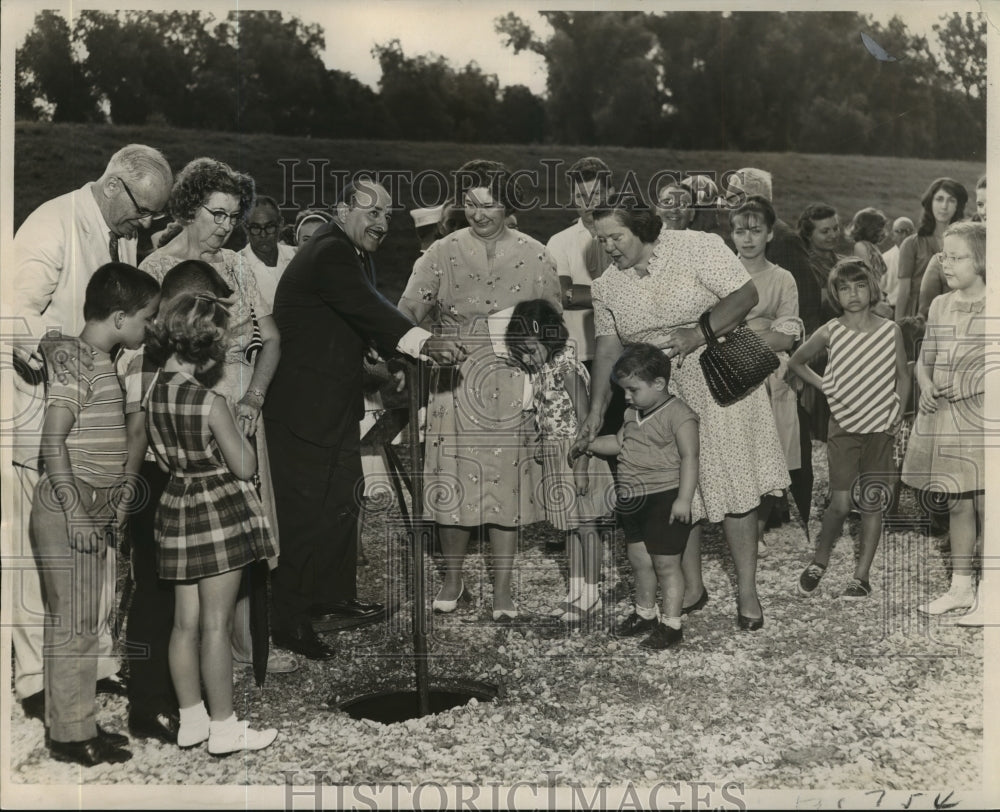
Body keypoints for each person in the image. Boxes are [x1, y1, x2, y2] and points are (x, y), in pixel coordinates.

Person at [6, 144, 172, 724]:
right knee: (39, 562)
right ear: (113, 186)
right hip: (40, 414)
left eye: (153, 217)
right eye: (144, 212)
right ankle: (35, 681)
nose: (147, 225)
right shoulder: (49, 225)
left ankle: (94, 666)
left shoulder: (120, 236)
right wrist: (58, 351)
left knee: (96, 550)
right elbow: (11, 313)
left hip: (94, 425)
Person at [265, 179, 465, 657]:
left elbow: (356, 325)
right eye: (370, 212)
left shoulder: (354, 254)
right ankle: (288, 621)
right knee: (306, 516)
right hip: (301, 410)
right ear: (341, 210)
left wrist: (390, 363)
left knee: (340, 503)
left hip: (332, 405)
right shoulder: (329, 250)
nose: (381, 223)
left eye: (387, 215)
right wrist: (423, 343)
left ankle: (332, 601)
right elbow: (369, 310)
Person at [576, 194, 789, 630]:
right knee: (677, 489)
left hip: (719, 380)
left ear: (641, 227)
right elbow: (608, 346)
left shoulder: (696, 246)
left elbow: (746, 294)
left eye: (615, 236)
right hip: (663, 394)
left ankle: (747, 592)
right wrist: (597, 409)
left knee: (733, 487)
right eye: (601, 240)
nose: (609, 247)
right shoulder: (607, 284)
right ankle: (692, 588)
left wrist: (699, 332)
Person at [140, 158, 292, 673]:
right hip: (189, 412)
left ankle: (247, 647)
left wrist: (255, 398)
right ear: (187, 208)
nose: (226, 227)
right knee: (196, 539)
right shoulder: (156, 270)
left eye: (233, 217)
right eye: (217, 214)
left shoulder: (238, 266)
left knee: (245, 531)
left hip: (241, 409)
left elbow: (271, 339)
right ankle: (203, 651)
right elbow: (148, 361)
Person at [397, 160, 561, 621]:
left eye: (488, 203)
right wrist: (417, 342)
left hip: (512, 380)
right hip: (456, 376)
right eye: (469, 203)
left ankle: (504, 588)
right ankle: (453, 577)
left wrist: (537, 355)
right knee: (454, 479)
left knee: (505, 484)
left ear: (508, 203)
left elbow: (552, 321)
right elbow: (407, 308)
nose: (478, 212)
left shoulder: (537, 253)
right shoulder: (441, 252)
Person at [32, 263, 160, 766]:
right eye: (146, 318)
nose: (149, 328)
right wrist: (80, 515)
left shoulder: (98, 361)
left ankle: (78, 722)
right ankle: (67, 736)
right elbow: (52, 441)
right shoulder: (78, 364)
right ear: (120, 315)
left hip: (88, 506)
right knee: (73, 624)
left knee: (84, 622)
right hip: (68, 506)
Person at [145, 293, 278, 755]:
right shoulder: (209, 400)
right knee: (217, 625)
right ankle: (224, 729)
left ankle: (192, 721)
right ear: (209, 345)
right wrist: (243, 431)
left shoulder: (154, 390)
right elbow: (243, 467)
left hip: (176, 505)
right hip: (217, 511)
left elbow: (161, 458)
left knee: (185, 625)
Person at [117, 260, 238, 745]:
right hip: (156, 483)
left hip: (173, 482)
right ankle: (148, 704)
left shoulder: (170, 357)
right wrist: (128, 497)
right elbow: (136, 435)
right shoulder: (146, 362)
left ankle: (186, 703)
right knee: (154, 597)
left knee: (181, 608)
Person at [789, 259, 909, 600]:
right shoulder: (831, 330)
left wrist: (898, 411)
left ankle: (861, 577)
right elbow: (796, 362)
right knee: (840, 503)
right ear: (835, 294)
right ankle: (819, 562)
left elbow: (903, 375)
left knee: (872, 503)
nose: (853, 294)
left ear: (872, 288)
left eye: (859, 286)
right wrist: (824, 384)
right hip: (843, 427)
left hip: (880, 428)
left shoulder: (890, 330)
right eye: (844, 288)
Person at [580, 344, 699, 650]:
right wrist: (589, 445)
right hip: (633, 498)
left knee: (666, 564)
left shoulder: (679, 414)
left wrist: (684, 499)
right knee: (639, 560)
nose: (626, 396)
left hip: (664, 497)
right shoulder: (632, 413)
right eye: (624, 390)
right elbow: (619, 443)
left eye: (633, 389)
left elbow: (690, 457)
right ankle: (645, 612)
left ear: (659, 384)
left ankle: (672, 625)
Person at [505, 299, 615, 624]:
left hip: (578, 454)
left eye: (529, 349)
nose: (526, 357)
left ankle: (592, 594)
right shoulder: (542, 368)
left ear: (548, 337)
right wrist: (542, 442)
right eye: (521, 351)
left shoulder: (566, 366)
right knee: (569, 529)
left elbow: (585, 421)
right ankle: (575, 591)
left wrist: (581, 467)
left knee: (586, 527)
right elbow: (546, 413)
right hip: (557, 453)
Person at [902, 222, 985, 623]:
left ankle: (992, 591)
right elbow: (925, 358)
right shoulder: (940, 305)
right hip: (948, 419)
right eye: (943, 256)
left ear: (983, 259)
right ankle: (960, 587)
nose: (947, 264)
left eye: (957, 257)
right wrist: (926, 384)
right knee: (957, 502)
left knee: (990, 505)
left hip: (985, 420)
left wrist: (969, 384)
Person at [730, 196, 803, 553]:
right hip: (729, 371)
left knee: (773, 452)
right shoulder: (722, 273)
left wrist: (739, 333)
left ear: (770, 234)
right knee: (736, 451)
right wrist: (763, 331)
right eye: (740, 230)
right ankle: (736, 528)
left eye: (756, 231)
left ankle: (757, 530)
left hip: (771, 372)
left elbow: (786, 335)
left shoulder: (782, 278)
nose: (748, 238)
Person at [726, 168, 822, 336]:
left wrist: (800, 352)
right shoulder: (743, 234)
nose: (728, 206)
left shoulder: (784, 239)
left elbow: (806, 299)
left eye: (734, 199)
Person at [895, 177, 968, 322]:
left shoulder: (966, 243)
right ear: (930, 202)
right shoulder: (911, 244)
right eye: (939, 199)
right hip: (918, 315)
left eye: (951, 200)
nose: (944, 206)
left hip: (955, 313)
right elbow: (903, 291)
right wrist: (898, 327)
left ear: (957, 206)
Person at [239, 195, 297, 311]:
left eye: (270, 227)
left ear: (280, 224)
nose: (263, 235)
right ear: (245, 228)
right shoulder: (235, 267)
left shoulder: (297, 257)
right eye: (255, 228)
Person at [881, 216, 915, 309]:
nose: (904, 236)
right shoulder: (885, 258)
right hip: (892, 308)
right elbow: (878, 290)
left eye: (908, 231)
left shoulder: (922, 258)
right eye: (899, 231)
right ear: (892, 235)